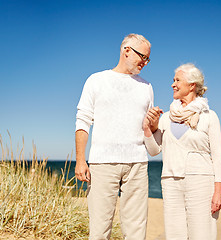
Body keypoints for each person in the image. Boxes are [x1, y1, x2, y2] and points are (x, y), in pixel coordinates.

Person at [75, 33, 157, 240]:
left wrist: (154, 124)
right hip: (103, 162)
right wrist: (80, 160)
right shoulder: (96, 80)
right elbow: (83, 121)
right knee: (100, 228)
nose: (145, 63)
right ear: (126, 50)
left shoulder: (147, 87)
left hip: (138, 163)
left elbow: (149, 128)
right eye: (143, 57)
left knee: (136, 229)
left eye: (148, 59)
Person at [143, 63, 221, 240]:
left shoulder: (209, 116)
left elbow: (217, 156)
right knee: (174, 235)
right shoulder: (165, 118)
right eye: (173, 80)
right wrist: (148, 129)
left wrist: (218, 192)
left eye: (177, 80)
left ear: (192, 85)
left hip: (201, 182)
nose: (173, 84)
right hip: (170, 183)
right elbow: (154, 150)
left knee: (202, 234)